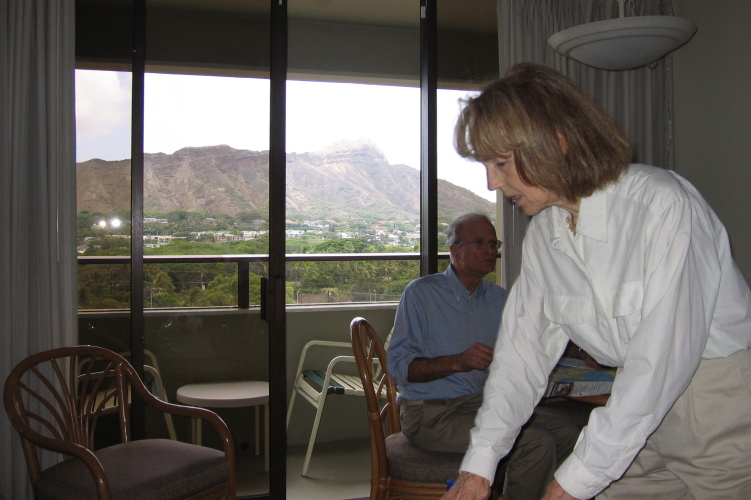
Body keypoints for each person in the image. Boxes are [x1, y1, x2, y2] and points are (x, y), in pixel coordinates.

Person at [442, 62, 751, 500]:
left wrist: (573, 481)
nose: (492, 181)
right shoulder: (544, 238)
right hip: (633, 402)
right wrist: (480, 465)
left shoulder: (662, 208)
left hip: (715, 404)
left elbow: (660, 358)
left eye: (501, 163)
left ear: (555, 143)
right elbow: (521, 356)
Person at [388, 213, 581, 500]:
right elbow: (398, 368)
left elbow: (531, 342)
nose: (490, 250)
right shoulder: (422, 294)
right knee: (534, 443)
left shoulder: (499, 298)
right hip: (431, 414)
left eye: (493, 243)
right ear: (454, 251)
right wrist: (457, 362)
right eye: (479, 243)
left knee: (568, 431)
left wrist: (582, 348)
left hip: (480, 403)